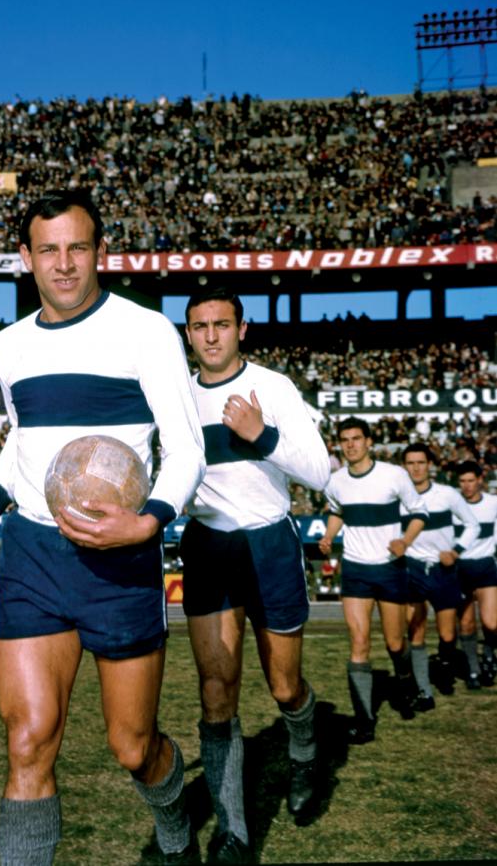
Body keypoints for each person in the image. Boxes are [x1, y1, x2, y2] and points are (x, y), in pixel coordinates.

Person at [0, 189, 207, 865]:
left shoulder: (146, 330)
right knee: (29, 739)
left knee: (131, 746)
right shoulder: (9, 345)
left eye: (77, 248)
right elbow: (24, 440)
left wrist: (145, 523)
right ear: (25, 258)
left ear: (100, 252)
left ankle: (174, 818)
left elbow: (186, 450)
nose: (63, 264)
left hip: (120, 556)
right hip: (32, 550)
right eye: (47, 250)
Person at [179, 288, 331, 862]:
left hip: (270, 543)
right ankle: (233, 832)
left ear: (242, 329)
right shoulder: (177, 396)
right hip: (209, 547)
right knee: (217, 692)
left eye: (221, 323)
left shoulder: (273, 387)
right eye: (200, 326)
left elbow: (319, 472)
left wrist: (261, 435)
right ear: (188, 334)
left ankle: (305, 749)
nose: (211, 335)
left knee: (285, 686)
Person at [319, 418, 428, 743]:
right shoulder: (335, 481)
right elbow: (337, 511)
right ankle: (364, 721)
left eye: (356, 438)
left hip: (390, 568)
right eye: (345, 440)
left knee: (395, 643)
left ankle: (406, 680)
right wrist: (328, 536)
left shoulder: (394, 476)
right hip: (355, 569)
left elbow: (419, 512)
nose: (350, 445)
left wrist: (404, 543)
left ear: (369, 442)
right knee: (359, 643)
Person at [400, 444, 479, 707]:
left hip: (443, 570)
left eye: (421, 462)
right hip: (411, 568)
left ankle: (444, 668)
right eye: (410, 463)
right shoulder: (398, 498)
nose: (416, 467)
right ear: (405, 466)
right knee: (416, 629)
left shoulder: (446, 495)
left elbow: (472, 525)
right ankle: (424, 690)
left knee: (447, 635)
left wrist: (455, 551)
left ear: (430, 465)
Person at [454, 460, 497, 689]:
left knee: (491, 623)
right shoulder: (453, 505)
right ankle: (473, 670)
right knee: (467, 624)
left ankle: (489, 653)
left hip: (485, 567)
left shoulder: (493, 503)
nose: (467, 486)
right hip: (460, 569)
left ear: (480, 480)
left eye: (471, 480)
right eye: (463, 481)